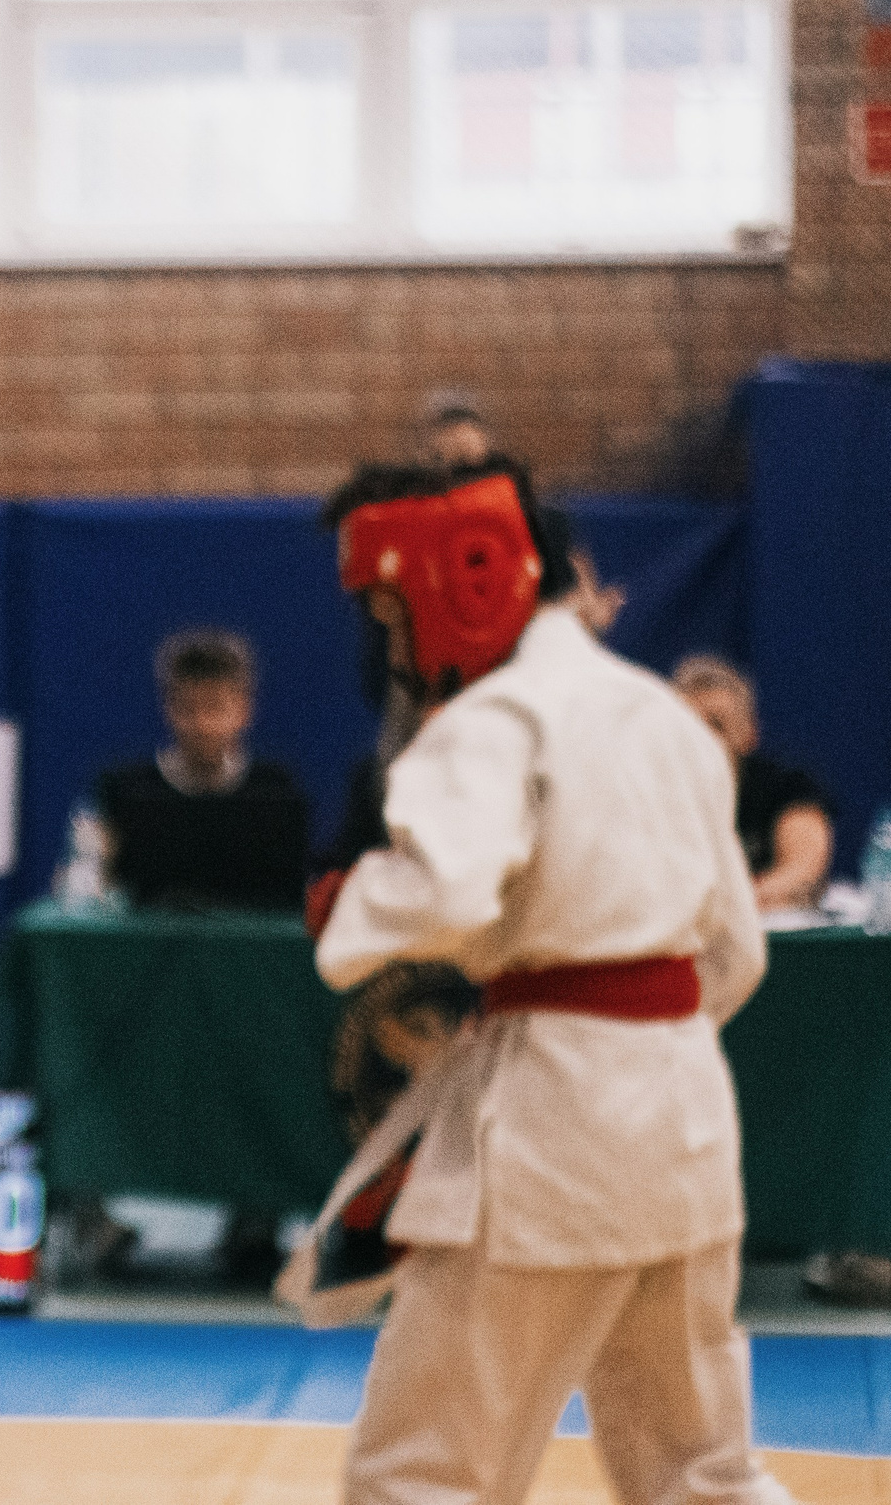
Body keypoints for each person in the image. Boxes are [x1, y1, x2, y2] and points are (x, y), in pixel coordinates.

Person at [293, 459, 792, 1505]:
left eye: (392, 615)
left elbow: (445, 891)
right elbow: (737, 955)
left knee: (422, 1474)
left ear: (461, 581)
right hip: (688, 1126)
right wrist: (641, 1039)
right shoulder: (667, 719)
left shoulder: (491, 721)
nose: (392, 646)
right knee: (702, 1470)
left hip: (550, 1147)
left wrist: (350, 905)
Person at [93, 629, 309, 914]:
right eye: (188, 709)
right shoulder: (124, 790)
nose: (202, 724)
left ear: (244, 710)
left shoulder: (277, 789)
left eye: (215, 708)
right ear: (168, 709)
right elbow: (96, 889)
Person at [673, 654, 834, 914]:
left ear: (749, 733)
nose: (699, 738)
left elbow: (803, 874)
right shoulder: (652, 791)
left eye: (715, 724)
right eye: (687, 725)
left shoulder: (787, 786)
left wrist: (730, 903)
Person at [419, 390, 496, 470]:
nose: (459, 436)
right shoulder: (419, 478)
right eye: (449, 427)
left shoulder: (501, 473)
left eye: (466, 425)